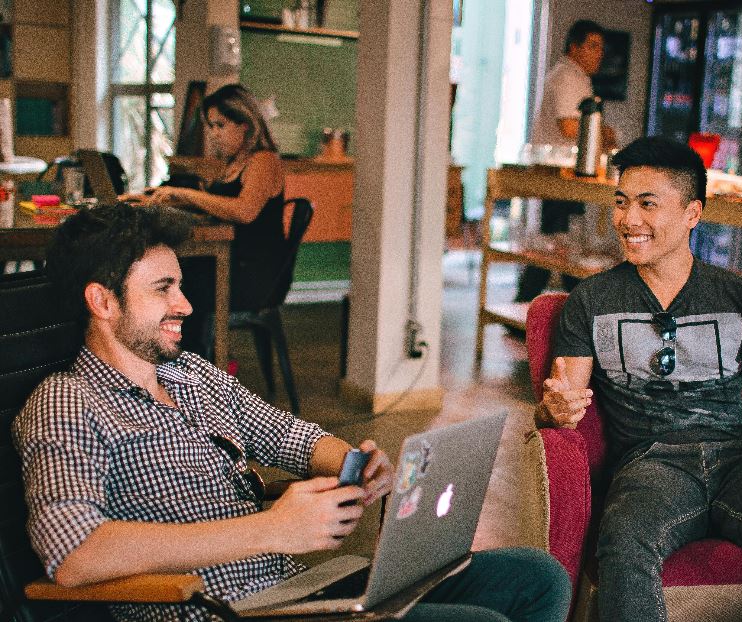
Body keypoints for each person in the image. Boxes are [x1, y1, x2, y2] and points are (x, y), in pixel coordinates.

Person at [13, 204, 572, 622]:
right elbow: (75, 555)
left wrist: (352, 462)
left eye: (180, 285)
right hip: (221, 611)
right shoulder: (67, 401)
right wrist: (270, 529)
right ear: (103, 301)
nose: (185, 304)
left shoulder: (190, 375)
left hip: (295, 593)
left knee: (535, 579)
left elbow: (289, 437)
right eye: (164, 289)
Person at [536, 137, 742, 622]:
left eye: (647, 204)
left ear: (692, 214)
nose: (627, 220)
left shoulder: (741, 297)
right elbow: (562, 398)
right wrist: (551, 411)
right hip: (650, 462)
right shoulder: (591, 300)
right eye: (621, 202)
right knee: (624, 539)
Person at [121, 83, 289, 356]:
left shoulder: (264, 161)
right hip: (232, 262)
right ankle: (169, 359)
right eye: (210, 126)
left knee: (171, 285)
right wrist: (164, 198)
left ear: (244, 125)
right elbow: (218, 207)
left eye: (220, 126)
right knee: (166, 279)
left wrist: (183, 193)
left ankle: (183, 362)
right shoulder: (236, 162)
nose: (213, 135)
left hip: (252, 274)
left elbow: (244, 211)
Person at [516, 20, 616, 303]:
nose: (599, 54)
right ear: (575, 47)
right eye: (593, 46)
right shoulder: (566, 77)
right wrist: (604, 132)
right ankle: (535, 305)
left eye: (601, 48)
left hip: (570, 172)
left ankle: (533, 304)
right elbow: (570, 127)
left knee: (560, 242)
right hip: (559, 172)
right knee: (559, 243)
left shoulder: (578, 78)